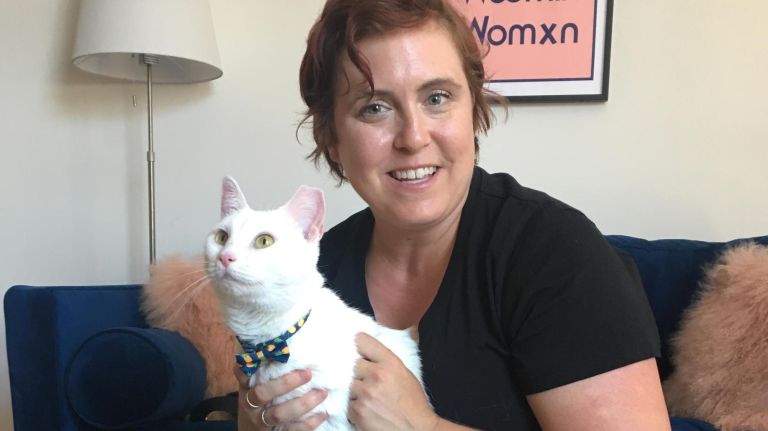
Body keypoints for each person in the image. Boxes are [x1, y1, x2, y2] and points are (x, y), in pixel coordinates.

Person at [236, 0, 672, 429]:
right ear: (331, 137)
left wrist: (421, 426)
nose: (413, 137)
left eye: (437, 98)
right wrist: (260, 417)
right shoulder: (314, 267)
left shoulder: (555, 253)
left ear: (473, 109)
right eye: (374, 107)